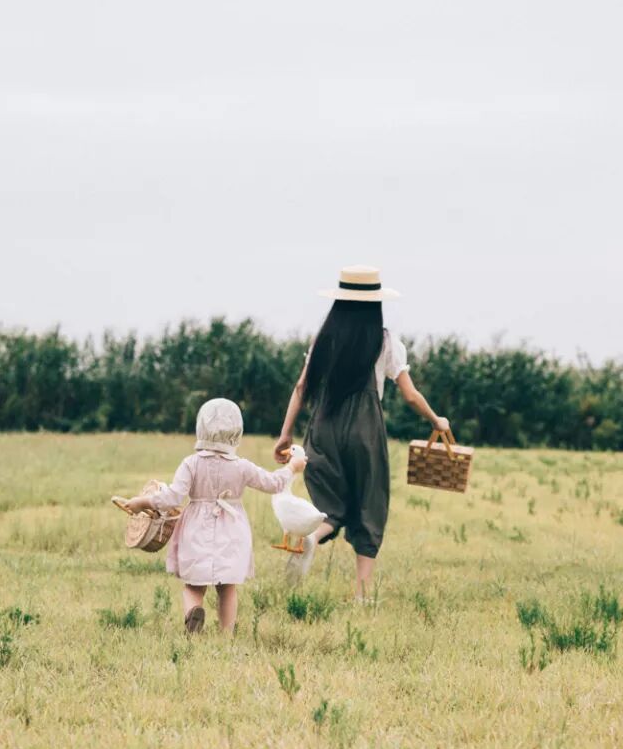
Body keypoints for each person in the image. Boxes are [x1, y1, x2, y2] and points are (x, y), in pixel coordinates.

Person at [274, 265, 449, 600]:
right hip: (364, 431)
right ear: (375, 303)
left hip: (323, 426)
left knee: (330, 502)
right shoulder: (384, 341)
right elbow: (410, 395)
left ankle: (313, 536)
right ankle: (362, 595)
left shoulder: (323, 339)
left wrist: (285, 434)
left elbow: (301, 387)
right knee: (370, 502)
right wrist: (435, 419)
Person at [120, 398, 306, 634]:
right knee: (227, 587)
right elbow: (273, 483)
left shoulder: (191, 464)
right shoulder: (241, 466)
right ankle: (226, 634)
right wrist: (292, 467)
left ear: (201, 428)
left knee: (193, 584)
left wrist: (143, 502)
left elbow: (172, 497)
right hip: (232, 530)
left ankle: (193, 613)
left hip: (196, 529)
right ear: (236, 432)